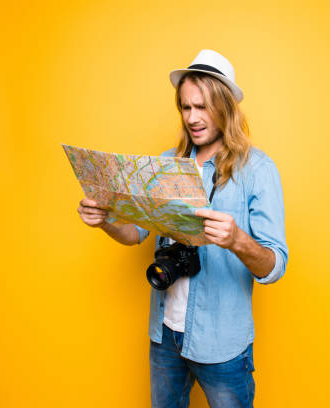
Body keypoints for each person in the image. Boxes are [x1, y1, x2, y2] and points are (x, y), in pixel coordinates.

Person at [77, 49, 288, 408]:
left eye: (203, 107)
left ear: (225, 108)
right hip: (164, 338)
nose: (193, 118)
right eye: (186, 108)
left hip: (222, 344)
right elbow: (136, 234)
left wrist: (238, 241)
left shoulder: (258, 170)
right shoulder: (164, 165)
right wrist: (106, 222)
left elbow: (275, 266)